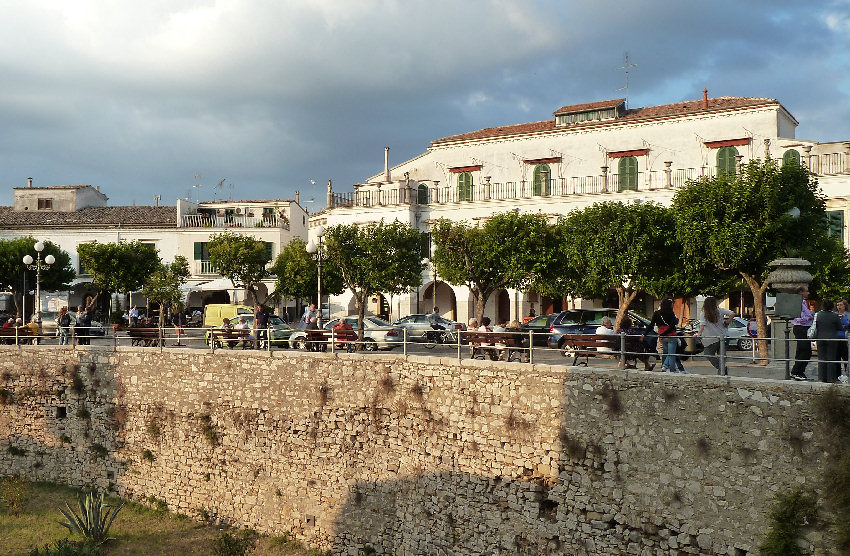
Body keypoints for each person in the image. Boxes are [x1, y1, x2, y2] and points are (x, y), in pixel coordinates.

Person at [698, 297, 735, 375]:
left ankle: (721, 369)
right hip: (724, 336)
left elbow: (702, 325)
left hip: (712, 338)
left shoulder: (703, 313)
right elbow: (732, 313)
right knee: (722, 355)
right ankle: (722, 371)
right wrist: (727, 322)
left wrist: (698, 335)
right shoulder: (720, 311)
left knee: (708, 353)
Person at [650, 299, 687, 374]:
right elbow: (673, 325)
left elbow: (651, 324)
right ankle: (671, 369)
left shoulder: (657, 314)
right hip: (671, 336)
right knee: (671, 354)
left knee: (667, 352)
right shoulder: (671, 313)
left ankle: (669, 367)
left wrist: (645, 333)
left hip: (662, 336)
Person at [814, 299, 842, 383]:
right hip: (832, 338)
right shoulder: (835, 315)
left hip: (820, 338)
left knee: (821, 358)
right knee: (831, 359)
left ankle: (821, 378)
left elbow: (816, 326)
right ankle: (831, 378)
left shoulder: (818, 315)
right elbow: (839, 327)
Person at [790, 286, 814, 380]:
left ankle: (800, 371)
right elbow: (799, 318)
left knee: (802, 350)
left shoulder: (803, 303)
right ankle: (795, 371)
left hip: (804, 328)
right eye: (807, 291)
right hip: (801, 328)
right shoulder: (798, 303)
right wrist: (809, 317)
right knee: (805, 350)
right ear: (801, 292)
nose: (808, 293)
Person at [836, 299, 849, 381]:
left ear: (845, 306)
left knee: (846, 358)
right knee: (836, 357)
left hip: (845, 339)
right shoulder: (835, 315)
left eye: (841, 305)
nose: (839, 307)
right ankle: (837, 375)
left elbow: (848, 325)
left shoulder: (847, 315)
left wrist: (843, 319)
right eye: (838, 305)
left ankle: (847, 375)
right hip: (836, 339)